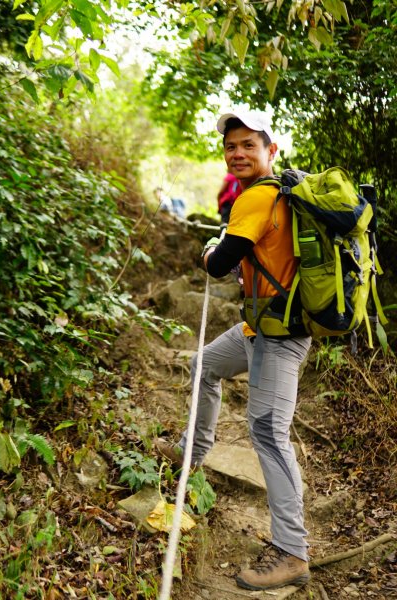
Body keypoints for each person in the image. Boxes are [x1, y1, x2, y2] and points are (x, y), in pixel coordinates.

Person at [156, 109, 312, 591]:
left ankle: (293, 553)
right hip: (260, 327)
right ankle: (194, 452)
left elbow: (220, 263)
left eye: (249, 144)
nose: (238, 153)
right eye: (231, 146)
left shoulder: (257, 199)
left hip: (280, 337)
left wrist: (208, 251)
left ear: (272, 150)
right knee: (205, 364)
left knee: (267, 431)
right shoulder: (275, 194)